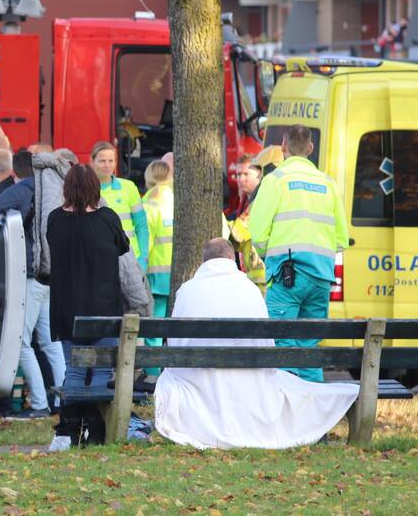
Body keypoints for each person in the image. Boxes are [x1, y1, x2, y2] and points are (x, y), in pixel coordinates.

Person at [154, 239, 359, 449]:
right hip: (248, 380)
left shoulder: (187, 290)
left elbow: (175, 344)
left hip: (199, 379)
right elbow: (267, 346)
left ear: (204, 261)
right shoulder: (250, 289)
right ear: (233, 258)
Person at [249, 125, 349, 382]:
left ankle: (286, 408)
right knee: (309, 346)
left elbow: (258, 233)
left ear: (283, 147)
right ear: (310, 148)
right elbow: (341, 238)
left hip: (286, 275)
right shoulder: (329, 184)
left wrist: (269, 256)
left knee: (281, 341)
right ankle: (312, 409)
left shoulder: (275, 181)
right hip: (320, 276)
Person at [0, 151, 65, 420]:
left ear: (15, 173)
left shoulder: (24, 188)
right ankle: (63, 402)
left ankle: (39, 404)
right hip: (52, 273)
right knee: (50, 342)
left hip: (30, 275)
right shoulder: (53, 188)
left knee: (22, 342)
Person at [46, 164, 129, 451]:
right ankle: (96, 431)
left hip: (67, 311)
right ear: (97, 188)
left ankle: (68, 431)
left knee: (75, 371)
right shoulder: (107, 218)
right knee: (102, 371)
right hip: (104, 309)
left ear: (66, 189)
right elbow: (123, 246)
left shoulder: (55, 219)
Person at [90, 141, 148, 271]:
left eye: (111, 160)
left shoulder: (129, 187)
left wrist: (143, 258)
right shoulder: (86, 190)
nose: (107, 165)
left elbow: (141, 225)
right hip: (98, 261)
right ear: (92, 162)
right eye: (102, 161)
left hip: (130, 259)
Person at [228, 154, 266, 292]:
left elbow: (237, 234)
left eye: (246, 174)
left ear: (259, 174)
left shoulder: (260, 199)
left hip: (261, 273)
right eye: (238, 175)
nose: (240, 179)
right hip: (250, 272)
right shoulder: (244, 200)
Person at [142, 160, 174, 324]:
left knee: (155, 328)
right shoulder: (181, 201)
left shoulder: (148, 206)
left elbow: (144, 245)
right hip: (183, 275)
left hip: (156, 278)